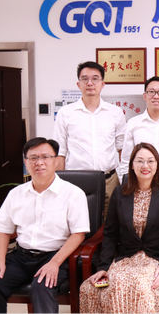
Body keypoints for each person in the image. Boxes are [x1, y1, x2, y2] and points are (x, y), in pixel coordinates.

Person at [0, 138, 89, 313]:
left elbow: (78, 234)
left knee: (42, 287)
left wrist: (54, 263)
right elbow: (3, 231)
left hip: (55, 256)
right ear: (26, 163)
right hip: (21, 258)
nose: (39, 162)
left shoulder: (73, 194)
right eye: (33, 158)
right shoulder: (16, 194)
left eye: (45, 157)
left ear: (56, 161)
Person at [80, 143, 159, 313]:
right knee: (97, 287)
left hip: (154, 259)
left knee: (139, 286)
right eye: (140, 161)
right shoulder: (120, 193)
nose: (145, 166)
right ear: (132, 166)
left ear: (157, 165)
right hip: (125, 258)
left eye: (150, 161)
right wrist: (103, 267)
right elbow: (110, 234)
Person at [53, 61, 126, 216]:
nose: (90, 83)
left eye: (95, 79)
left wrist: (124, 178)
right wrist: (59, 183)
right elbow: (60, 151)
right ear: (78, 84)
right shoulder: (65, 113)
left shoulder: (115, 112)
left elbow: (122, 149)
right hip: (76, 180)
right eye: (85, 79)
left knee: (110, 222)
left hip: (109, 180)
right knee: (77, 221)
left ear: (102, 84)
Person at [117, 76, 159, 180]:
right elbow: (126, 159)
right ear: (144, 96)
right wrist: (125, 183)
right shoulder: (133, 123)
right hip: (140, 182)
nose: (156, 96)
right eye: (151, 92)